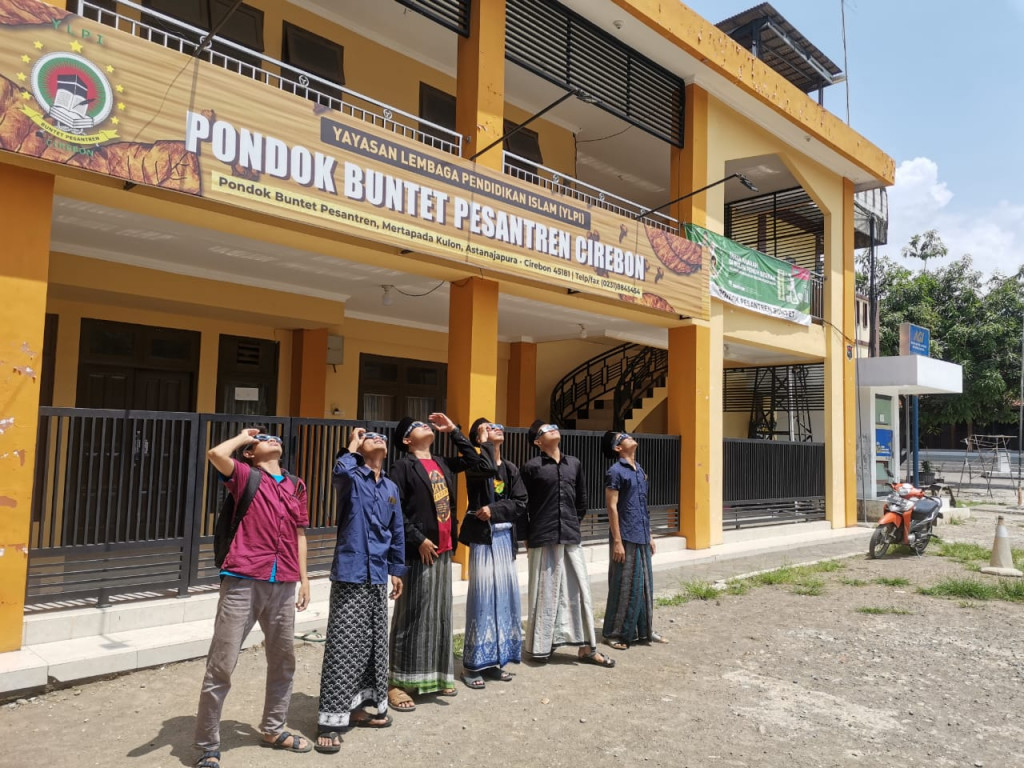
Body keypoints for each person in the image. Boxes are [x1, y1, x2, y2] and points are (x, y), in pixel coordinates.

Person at [194, 428, 312, 768]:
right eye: (264, 438)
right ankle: (207, 746)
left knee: (283, 661)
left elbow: (299, 533)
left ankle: (273, 729)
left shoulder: (296, 485)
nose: (273, 438)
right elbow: (216, 455)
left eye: (276, 437)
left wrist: (305, 580)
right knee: (222, 663)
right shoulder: (245, 475)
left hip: (285, 581)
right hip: (243, 578)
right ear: (249, 452)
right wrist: (244, 436)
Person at [387, 412, 493, 711]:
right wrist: (417, 538)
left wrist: (454, 431)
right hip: (420, 550)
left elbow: (481, 464)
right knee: (413, 614)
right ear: (407, 440)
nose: (425, 425)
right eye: (417, 426)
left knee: (440, 614)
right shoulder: (402, 467)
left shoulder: (444, 463)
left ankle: (436, 675)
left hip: (444, 549)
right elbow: (394, 510)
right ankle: (396, 682)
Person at [314, 428, 407, 754]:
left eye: (381, 436)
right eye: (370, 436)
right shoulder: (351, 477)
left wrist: (397, 570)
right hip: (351, 573)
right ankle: (329, 722)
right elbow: (339, 469)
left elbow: (396, 530)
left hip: (378, 575)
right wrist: (353, 443)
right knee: (343, 644)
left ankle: (358, 707)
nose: (378, 437)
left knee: (371, 644)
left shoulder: (392, 488)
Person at [519, 421, 614, 668]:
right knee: (545, 593)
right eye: (545, 430)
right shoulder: (531, 467)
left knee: (579, 591)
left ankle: (587, 648)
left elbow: (582, 499)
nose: (552, 429)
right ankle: (540, 647)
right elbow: (522, 504)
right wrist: (527, 536)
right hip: (543, 535)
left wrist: (572, 521)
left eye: (553, 426)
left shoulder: (575, 463)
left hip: (570, 535)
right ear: (537, 442)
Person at [458, 419, 528, 689]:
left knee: (504, 599)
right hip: (483, 538)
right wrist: (484, 446)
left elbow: (521, 501)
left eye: (498, 425)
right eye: (487, 427)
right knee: (483, 598)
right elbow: (485, 473)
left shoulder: (510, 468)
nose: (496, 428)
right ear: (478, 438)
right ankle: (473, 665)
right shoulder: (476, 464)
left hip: (504, 538)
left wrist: (496, 510)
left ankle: (496, 660)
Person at [601, 431, 668, 650]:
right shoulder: (615, 471)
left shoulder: (640, 471)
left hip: (640, 533)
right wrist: (617, 541)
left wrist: (649, 535)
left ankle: (643, 630)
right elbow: (612, 507)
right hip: (625, 535)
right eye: (623, 438)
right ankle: (613, 633)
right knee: (624, 584)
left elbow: (642, 504)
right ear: (618, 448)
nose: (629, 437)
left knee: (644, 584)